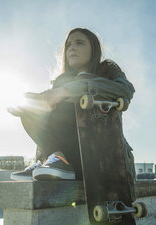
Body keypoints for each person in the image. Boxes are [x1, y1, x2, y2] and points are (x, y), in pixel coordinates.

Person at [9, 27, 136, 198]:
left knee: (73, 94)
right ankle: (54, 159)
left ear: (93, 49)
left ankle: (59, 160)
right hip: (70, 159)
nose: (72, 48)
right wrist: (26, 102)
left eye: (79, 43)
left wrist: (65, 92)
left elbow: (125, 89)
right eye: (68, 45)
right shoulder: (61, 81)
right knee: (31, 105)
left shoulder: (107, 70)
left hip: (101, 156)